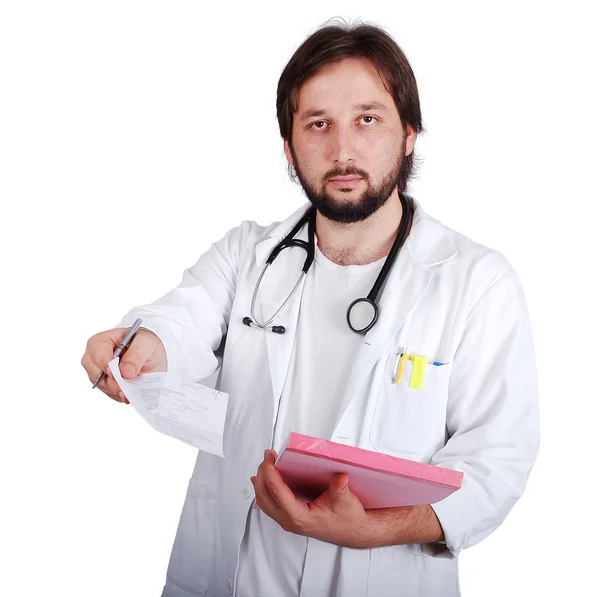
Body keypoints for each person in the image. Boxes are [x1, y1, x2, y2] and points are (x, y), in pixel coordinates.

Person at [81, 19, 540, 597]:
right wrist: (138, 346)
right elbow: (180, 322)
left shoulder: (476, 283)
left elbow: (496, 462)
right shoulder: (247, 255)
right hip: (232, 577)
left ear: (409, 135)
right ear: (289, 144)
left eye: (367, 120)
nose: (342, 150)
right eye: (317, 124)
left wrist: (372, 529)